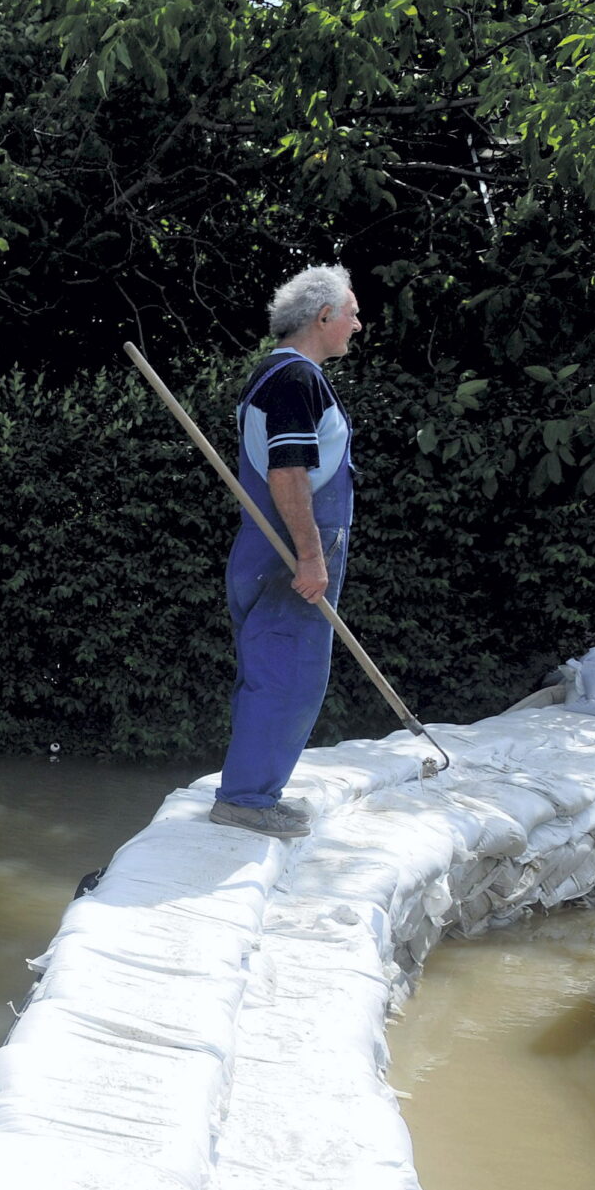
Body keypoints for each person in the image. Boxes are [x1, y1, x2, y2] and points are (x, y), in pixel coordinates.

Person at [209, 264, 364, 839]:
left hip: (277, 548)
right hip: (289, 550)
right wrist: (311, 556)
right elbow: (289, 472)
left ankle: (255, 792)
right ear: (323, 317)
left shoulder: (280, 376)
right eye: (350, 312)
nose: (357, 323)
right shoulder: (294, 379)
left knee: (281, 672)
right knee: (286, 676)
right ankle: (247, 801)